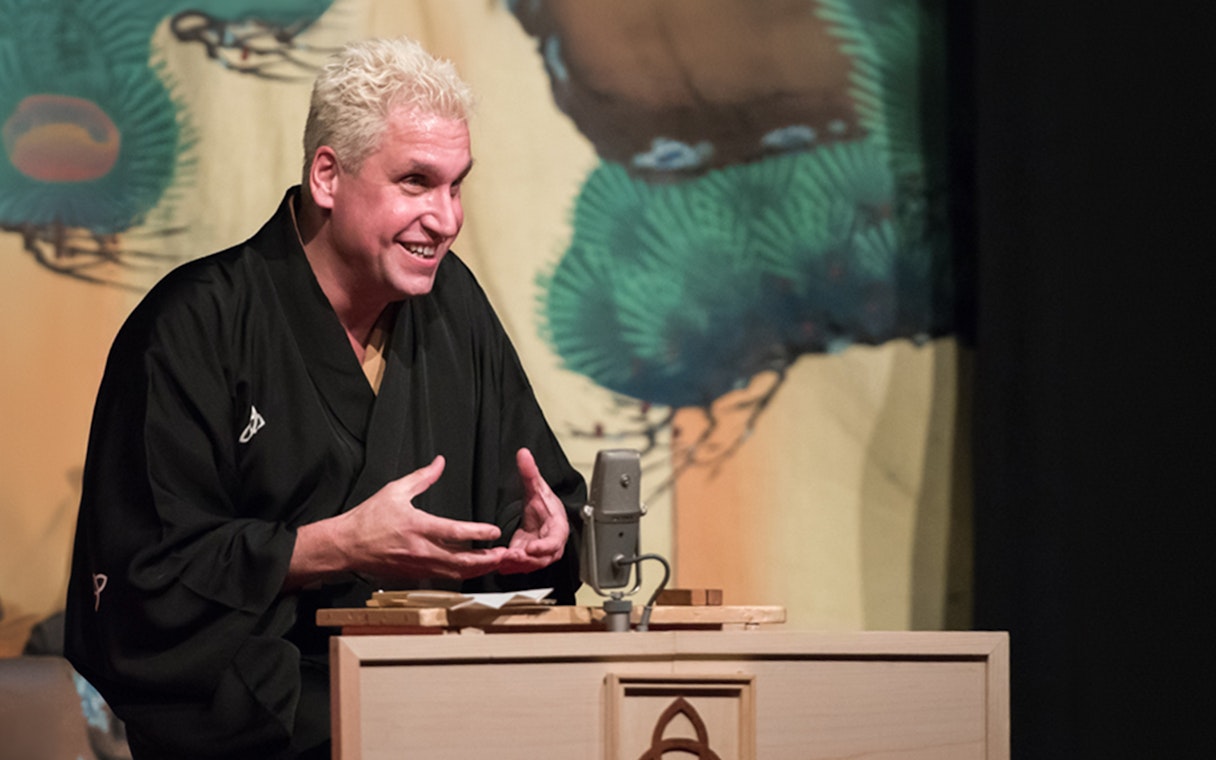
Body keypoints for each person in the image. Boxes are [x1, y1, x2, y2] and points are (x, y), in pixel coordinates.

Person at [64, 36, 584, 760]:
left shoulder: (454, 307)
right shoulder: (193, 326)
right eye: (415, 182)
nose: (447, 219)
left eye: (456, 185)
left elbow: (529, 502)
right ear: (327, 176)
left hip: (446, 705)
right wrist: (330, 547)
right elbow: (140, 584)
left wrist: (544, 540)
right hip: (272, 720)